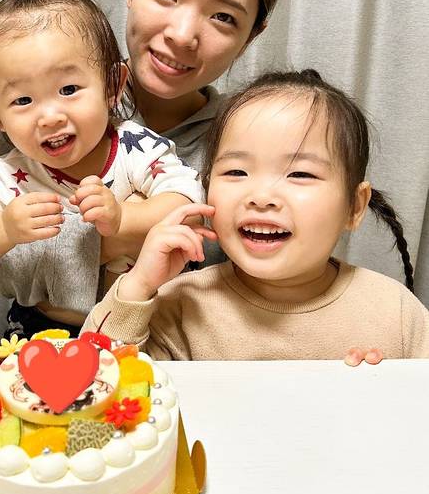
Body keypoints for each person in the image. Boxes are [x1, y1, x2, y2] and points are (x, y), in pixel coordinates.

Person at [0, 0, 287, 321]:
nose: (182, 34)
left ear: (253, 33)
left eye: (223, 16)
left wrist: (114, 225)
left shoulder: (248, 138)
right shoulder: (38, 119)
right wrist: (102, 240)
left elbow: (261, 272)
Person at [0, 0, 202, 337]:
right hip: (43, 329)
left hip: (143, 324)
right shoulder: (8, 175)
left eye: (68, 90)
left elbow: (186, 202)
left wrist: (124, 218)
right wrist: (2, 228)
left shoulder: (135, 148)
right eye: (22, 100)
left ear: (113, 86)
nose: (49, 116)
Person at [82, 69, 429, 362]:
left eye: (300, 174)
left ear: (354, 206)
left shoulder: (395, 313)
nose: (261, 197)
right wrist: (139, 284)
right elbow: (91, 381)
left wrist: (389, 393)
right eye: (236, 172)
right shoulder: (180, 304)